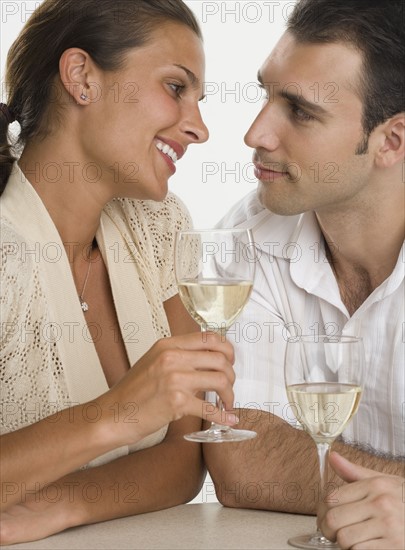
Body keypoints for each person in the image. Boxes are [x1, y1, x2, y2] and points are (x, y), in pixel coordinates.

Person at [0, 0, 238, 544]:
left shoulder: (157, 226)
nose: (199, 128)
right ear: (82, 77)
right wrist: (118, 413)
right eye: (176, 88)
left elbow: (184, 456)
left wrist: (62, 504)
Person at [204, 0, 405, 548]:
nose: (255, 134)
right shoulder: (246, 238)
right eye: (266, 94)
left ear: (392, 140)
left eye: (300, 111)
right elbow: (243, 456)